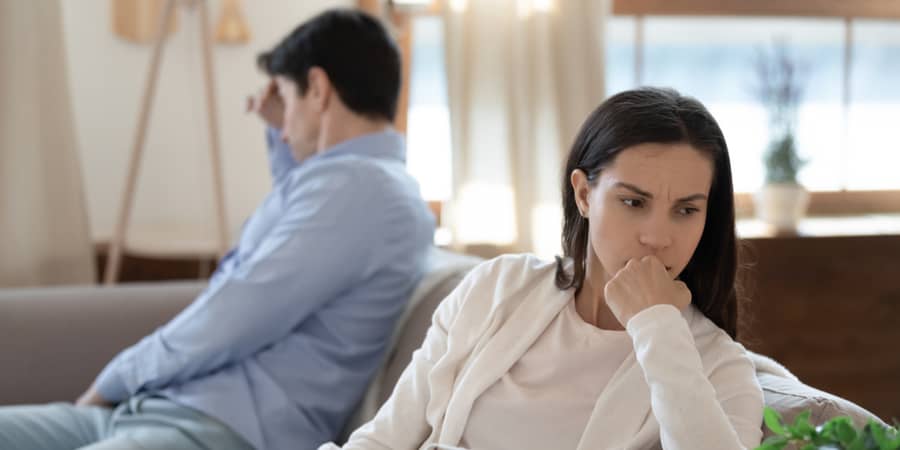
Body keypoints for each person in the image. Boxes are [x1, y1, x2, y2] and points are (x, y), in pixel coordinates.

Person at [0, 8, 435, 450]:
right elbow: (286, 226)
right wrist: (279, 135)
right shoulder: (349, 189)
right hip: (164, 409)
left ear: (318, 89)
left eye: (286, 98)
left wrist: (118, 378)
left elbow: (239, 310)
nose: (284, 131)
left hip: (219, 427)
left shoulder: (365, 191)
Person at [324, 87, 764, 450]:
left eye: (686, 210)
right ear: (584, 194)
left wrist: (658, 326)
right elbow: (383, 440)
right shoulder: (497, 287)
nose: (657, 237)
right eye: (633, 202)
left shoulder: (718, 366)